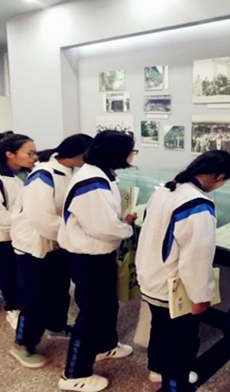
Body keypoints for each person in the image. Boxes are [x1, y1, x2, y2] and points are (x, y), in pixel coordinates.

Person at [136, 150, 230, 392]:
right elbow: (197, 259)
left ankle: (157, 369)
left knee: (160, 329)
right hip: (173, 287)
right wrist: (200, 296)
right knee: (180, 341)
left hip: (151, 276)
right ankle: (175, 385)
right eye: (224, 180)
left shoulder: (166, 189)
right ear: (219, 176)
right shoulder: (198, 205)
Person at [57, 131, 138, 392]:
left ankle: (105, 346)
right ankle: (74, 374)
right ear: (116, 153)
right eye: (131, 150)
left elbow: (105, 218)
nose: (133, 155)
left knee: (106, 305)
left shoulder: (102, 174)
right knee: (91, 313)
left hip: (99, 254)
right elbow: (103, 227)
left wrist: (120, 222)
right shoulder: (92, 182)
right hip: (87, 257)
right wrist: (125, 229)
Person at [10, 134, 93, 369]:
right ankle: (22, 344)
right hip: (34, 245)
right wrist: (76, 232)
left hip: (57, 242)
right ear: (80, 154)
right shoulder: (43, 176)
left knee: (58, 290)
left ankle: (56, 326)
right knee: (35, 297)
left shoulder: (69, 172)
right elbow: (41, 219)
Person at [0, 132, 37, 330]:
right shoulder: (2, 179)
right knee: (8, 276)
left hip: (22, 236)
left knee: (21, 277)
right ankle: (13, 310)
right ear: (10, 154)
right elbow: (2, 219)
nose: (34, 157)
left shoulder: (24, 175)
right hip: (5, 237)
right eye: (29, 153)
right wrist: (29, 218)